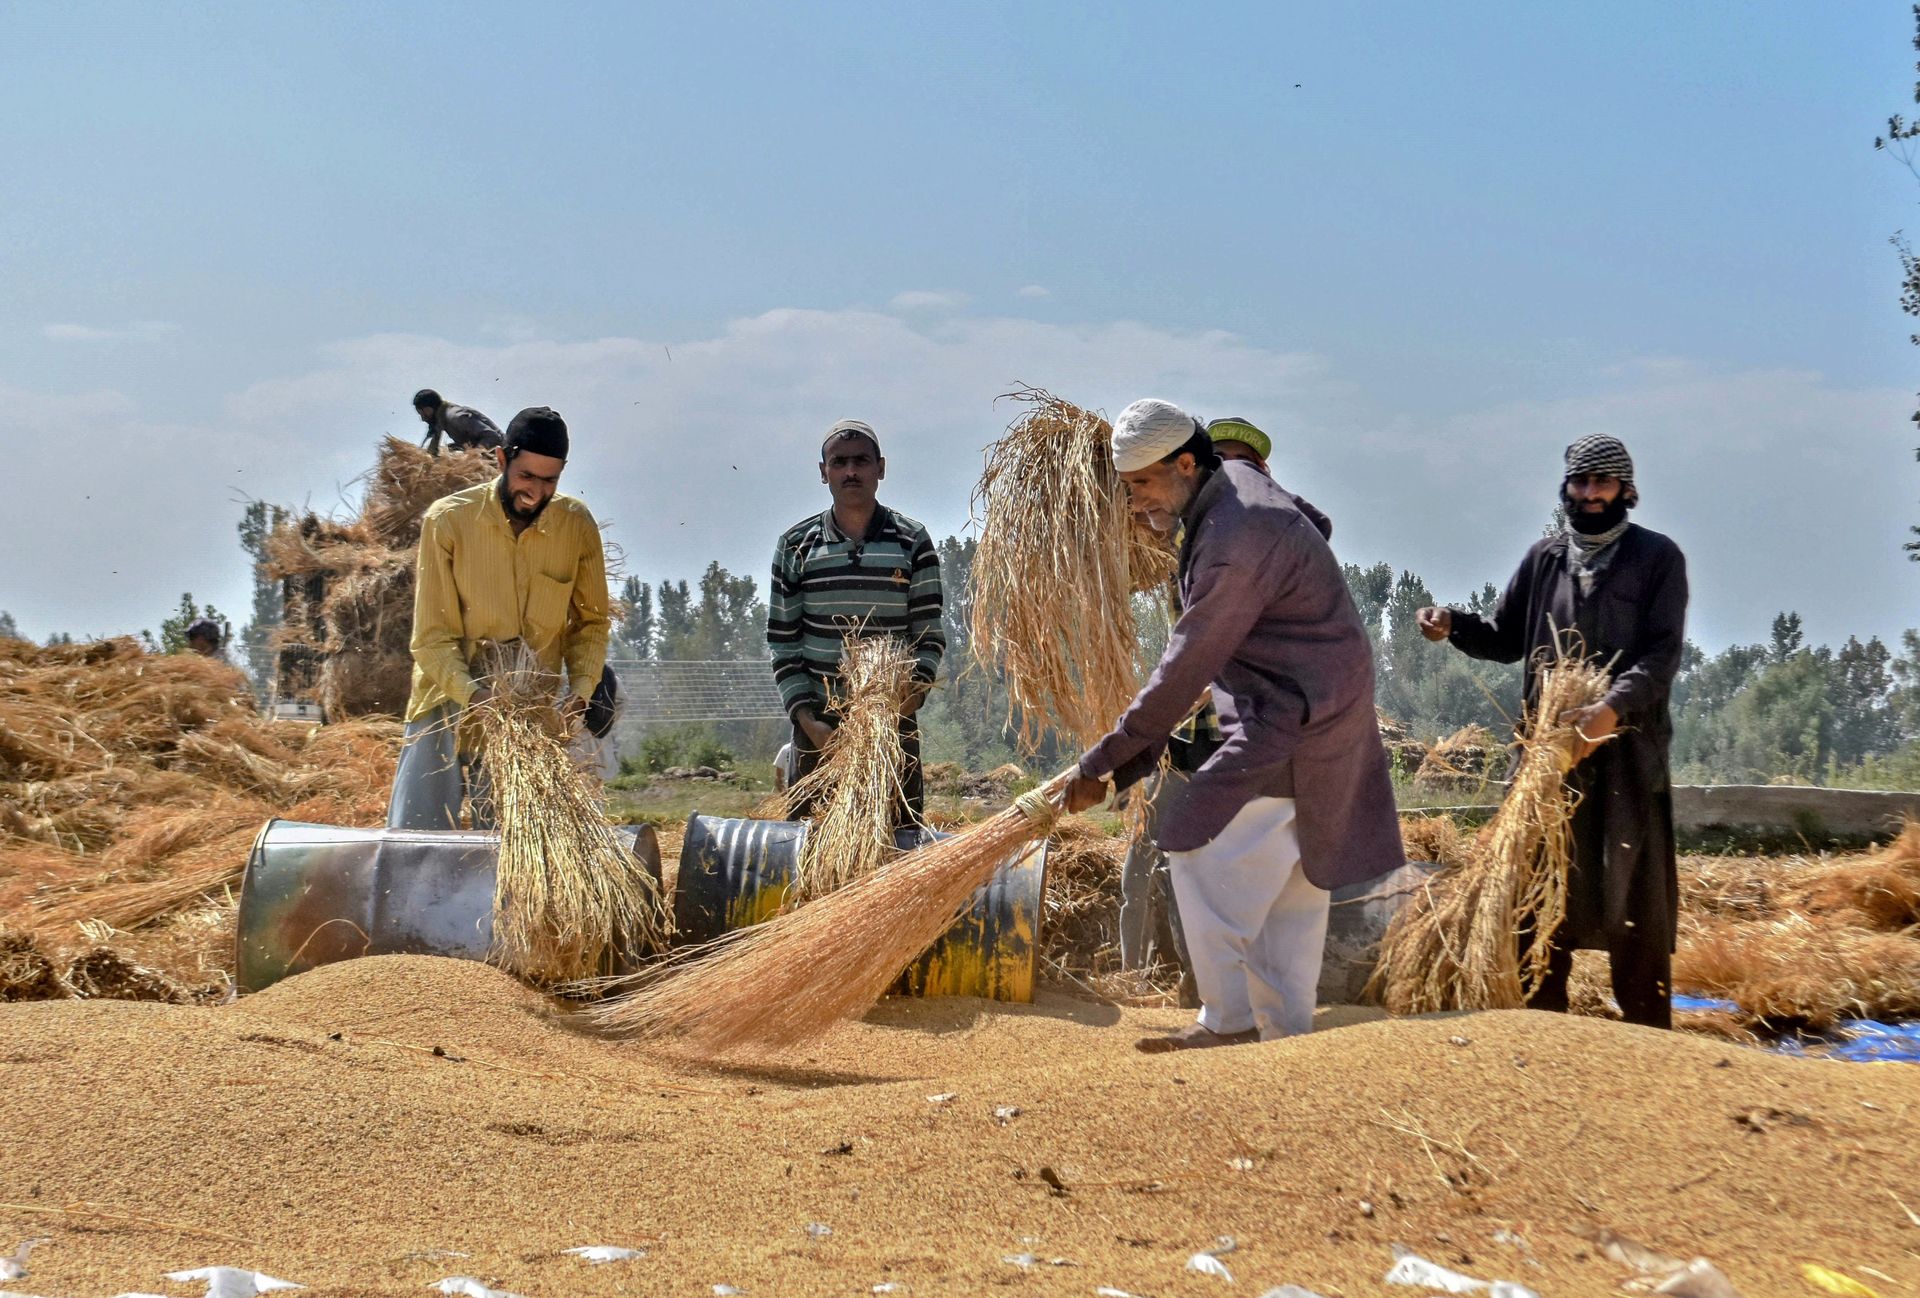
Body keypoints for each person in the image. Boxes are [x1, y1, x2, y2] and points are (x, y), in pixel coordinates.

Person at [1066, 400, 1402, 1051]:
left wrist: (1101, 763)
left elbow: (1185, 666)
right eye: (1128, 488)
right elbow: (1317, 522)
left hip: (1294, 713)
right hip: (1322, 706)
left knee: (1197, 844)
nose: (1135, 502)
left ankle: (1230, 1022)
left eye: (1143, 484)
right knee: (1287, 879)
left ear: (1186, 465)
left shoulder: (1233, 538)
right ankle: (1283, 1033)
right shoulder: (1240, 494)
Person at [1416, 434, 1687, 1029]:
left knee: (1632, 895)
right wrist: (1453, 624)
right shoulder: (1545, 559)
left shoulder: (1657, 558)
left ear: (1626, 490)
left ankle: (1650, 1038)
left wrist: (1609, 711)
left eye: (1602, 482)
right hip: (1548, 761)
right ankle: (1544, 1033)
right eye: (1580, 482)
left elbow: (1662, 654)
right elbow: (1505, 637)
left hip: (1626, 758)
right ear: (1566, 489)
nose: (1589, 493)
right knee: (1539, 894)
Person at [388, 407, 611, 830]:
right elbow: (431, 637)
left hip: (527, 710)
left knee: (514, 844)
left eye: (549, 481)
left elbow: (592, 623)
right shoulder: (449, 520)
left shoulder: (576, 525)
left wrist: (580, 692)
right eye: (526, 476)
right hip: (447, 699)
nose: (536, 493)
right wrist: (477, 697)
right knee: (416, 842)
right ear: (502, 459)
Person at [1117, 417, 1278, 994]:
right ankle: (1134, 975)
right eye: (1221, 462)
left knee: (1231, 863)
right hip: (1183, 738)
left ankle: (1218, 981)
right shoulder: (1185, 538)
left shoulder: (1275, 539)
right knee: (1147, 854)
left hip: (1248, 738)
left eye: (1242, 464)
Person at [767, 419, 944, 826]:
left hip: (890, 730)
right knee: (809, 842)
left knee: (897, 841)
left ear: (880, 468)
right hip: (818, 733)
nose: (850, 471)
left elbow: (929, 637)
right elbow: (783, 641)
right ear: (823, 472)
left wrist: (902, 706)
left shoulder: (912, 542)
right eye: (839, 462)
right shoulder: (796, 546)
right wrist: (809, 722)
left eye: (861, 461)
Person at [413, 388, 503, 456]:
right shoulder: (441, 418)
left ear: (428, 410)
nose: (423, 419)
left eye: (422, 414)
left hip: (502, 457)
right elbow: (432, 451)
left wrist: (471, 456)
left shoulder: (455, 417)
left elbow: (492, 437)